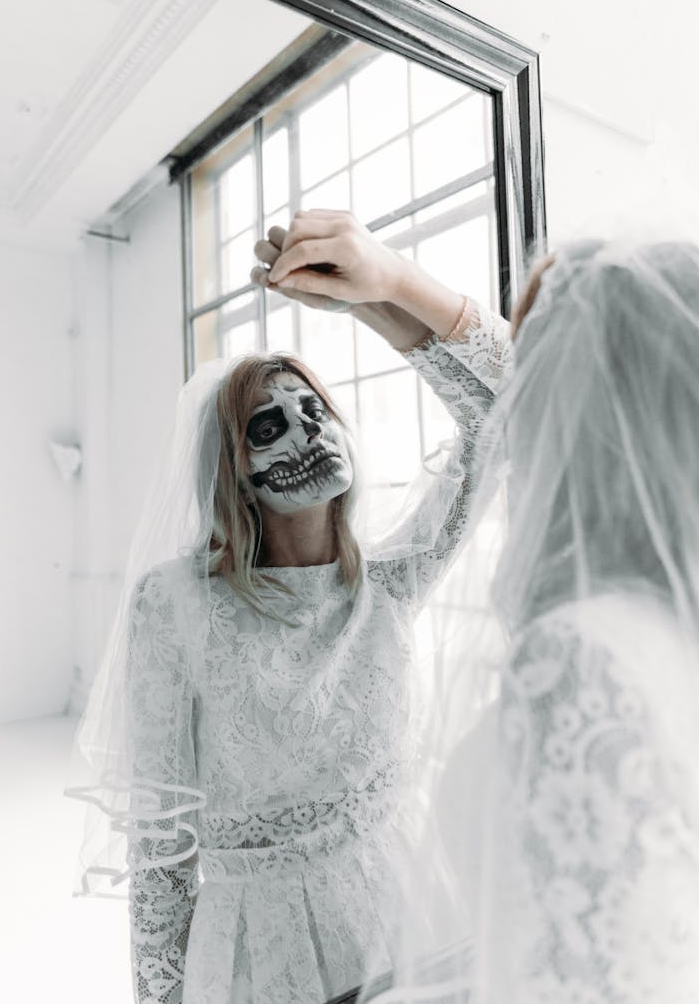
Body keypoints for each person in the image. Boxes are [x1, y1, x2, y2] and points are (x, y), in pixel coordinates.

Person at [68, 209, 512, 1004]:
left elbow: (504, 416)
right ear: (235, 473)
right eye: (269, 425)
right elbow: (161, 849)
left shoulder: (389, 582)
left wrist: (378, 298)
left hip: (416, 913)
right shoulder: (174, 607)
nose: (306, 430)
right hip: (264, 958)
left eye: (315, 409)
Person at [374, 238, 699, 1004]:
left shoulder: (582, 658)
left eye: (531, 380)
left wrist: (392, 287)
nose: (516, 416)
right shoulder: (683, 618)